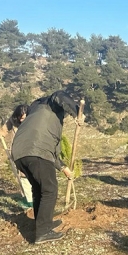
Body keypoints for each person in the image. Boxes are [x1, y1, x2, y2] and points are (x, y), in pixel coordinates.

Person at [11, 91, 82, 244]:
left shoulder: (35, 115)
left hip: (19, 154)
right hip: (36, 151)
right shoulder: (50, 103)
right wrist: (77, 113)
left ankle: (43, 223)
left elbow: (53, 153)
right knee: (49, 190)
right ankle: (43, 232)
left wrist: (64, 168)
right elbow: (60, 95)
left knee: (38, 189)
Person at [0, 104, 34, 210]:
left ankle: (35, 198)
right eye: (20, 117)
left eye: (24, 117)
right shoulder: (13, 121)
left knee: (33, 175)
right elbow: (5, 128)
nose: (22, 119)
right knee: (23, 176)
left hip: (31, 150)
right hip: (17, 151)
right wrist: (2, 132)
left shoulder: (33, 121)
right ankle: (29, 200)